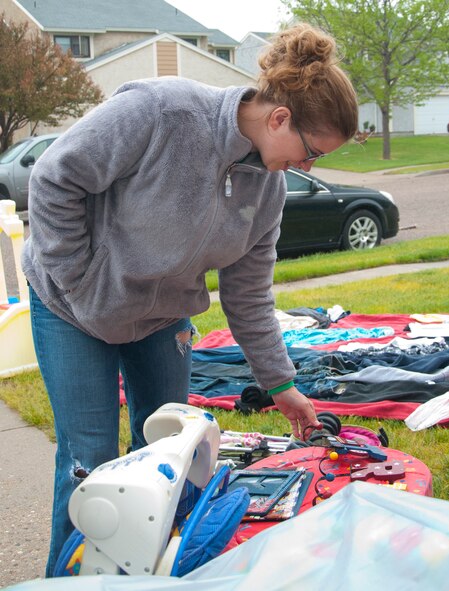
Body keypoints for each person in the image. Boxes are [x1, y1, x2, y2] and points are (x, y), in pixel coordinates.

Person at [22, 23, 358, 576]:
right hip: (72, 308)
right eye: (311, 151)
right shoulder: (162, 112)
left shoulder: (267, 190)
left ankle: (148, 575)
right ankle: (67, 581)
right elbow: (57, 178)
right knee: (90, 461)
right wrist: (78, 279)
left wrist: (282, 386)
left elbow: (248, 294)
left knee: (171, 456)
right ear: (280, 119)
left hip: (159, 318)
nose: (309, 168)